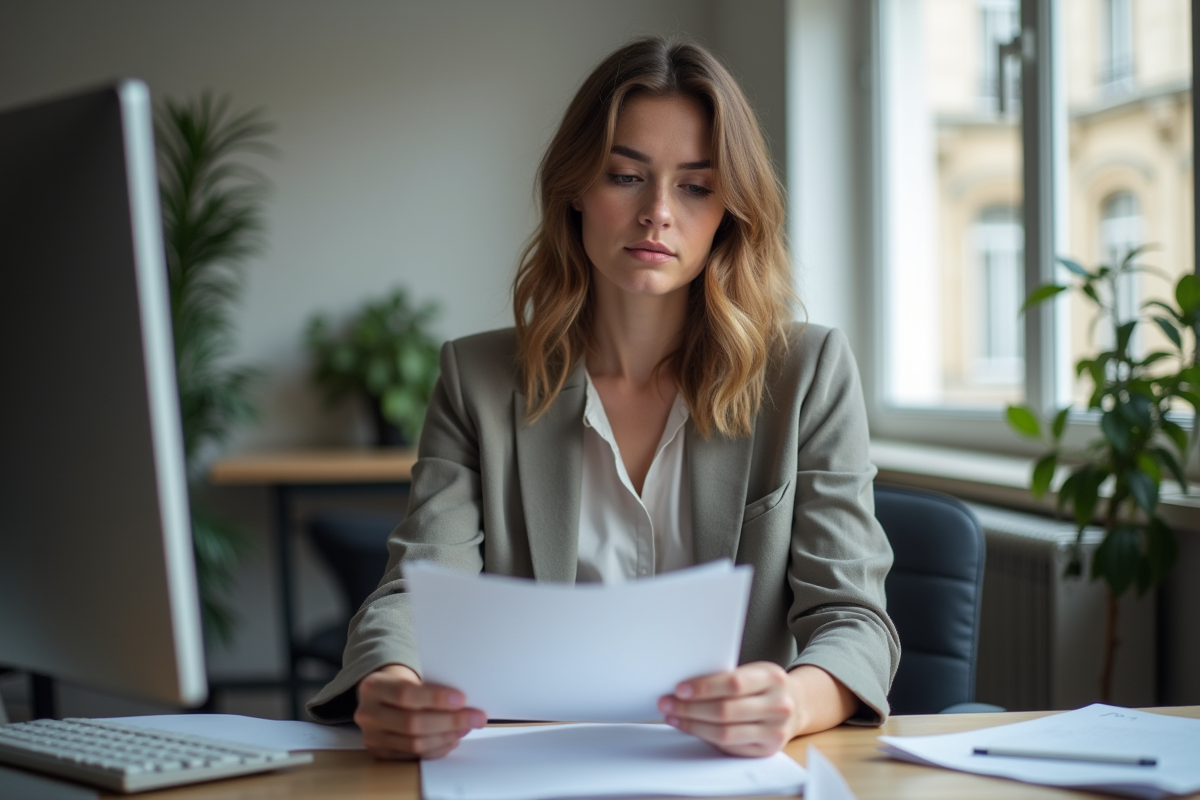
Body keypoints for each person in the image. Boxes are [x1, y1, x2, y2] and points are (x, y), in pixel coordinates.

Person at [307, 36, 899, 760]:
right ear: (575, 189)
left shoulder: (806, 373)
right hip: (529, 765)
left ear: (731, 211)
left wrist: (792, 701)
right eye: (625, 176)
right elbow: (413, 591)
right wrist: (392, 683)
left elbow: (855, 621)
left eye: (696, 186)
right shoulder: (477, 380)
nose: (658, 212)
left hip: (723, 770)